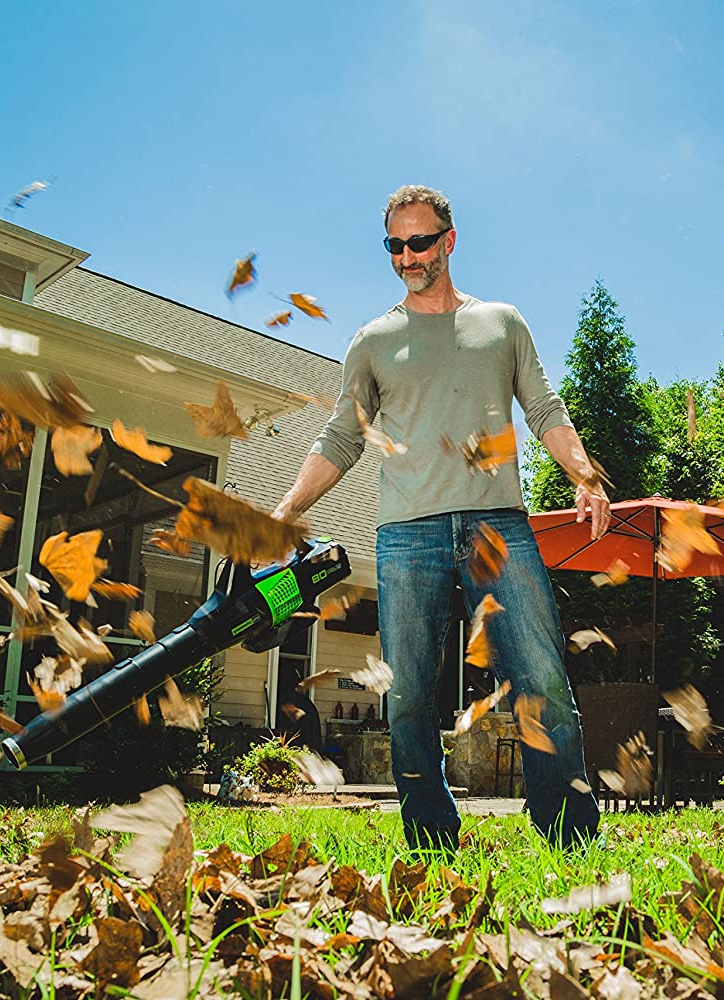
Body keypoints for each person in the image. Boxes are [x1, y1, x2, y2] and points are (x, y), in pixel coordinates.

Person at [273, 185, 607, 851]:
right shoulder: (370, 343)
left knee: (539, 676)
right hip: (408, 533)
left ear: (448, 241)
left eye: (419, 242)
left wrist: (583, 473)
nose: (406, 257)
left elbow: (543, 407)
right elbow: (341, 438)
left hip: (496, 526)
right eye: (394, 246)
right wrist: (287, 508)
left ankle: (569, 835)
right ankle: (430, 838)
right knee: (409, 699)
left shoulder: (502, 324)